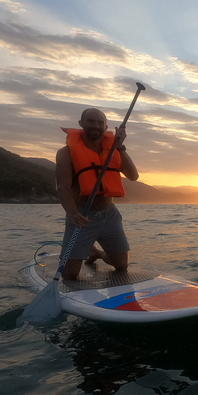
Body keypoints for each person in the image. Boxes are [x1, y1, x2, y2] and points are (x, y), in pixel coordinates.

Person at [56, 108, 139, 280]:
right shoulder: (65, 153)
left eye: (100, 123)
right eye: (91, 121)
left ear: (106, 126)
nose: (96, 126)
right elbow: (63, 188)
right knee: (69, 274)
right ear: (81, 124)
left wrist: (120, 147)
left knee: (122, 265)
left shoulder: (114, 150)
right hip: (82, 216)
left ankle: (96, 254)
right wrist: (73, 214)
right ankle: (82, 252)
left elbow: (133, 176)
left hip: (109, 215)